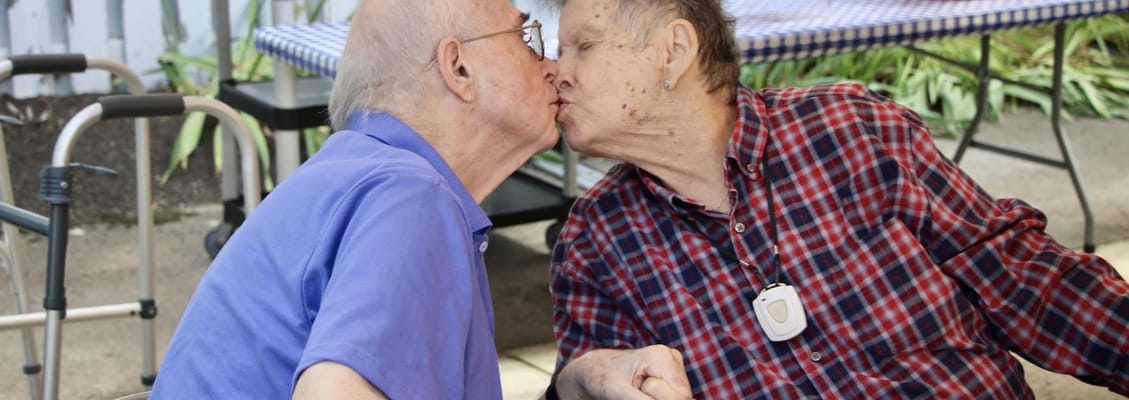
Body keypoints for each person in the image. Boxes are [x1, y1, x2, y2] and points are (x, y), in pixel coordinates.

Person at [545, 0, 1129, 398]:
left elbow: (1027, 281)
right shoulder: (595, 243)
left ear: (672, 51)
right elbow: (588, 382)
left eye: (583, 46)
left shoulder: (849, 131)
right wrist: (579, 382)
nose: (555, 72)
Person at [150, 0, 559, 398]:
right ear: (458, 68)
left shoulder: (362, 172)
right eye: (525, 37)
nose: (553, 67)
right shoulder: (412, 195)